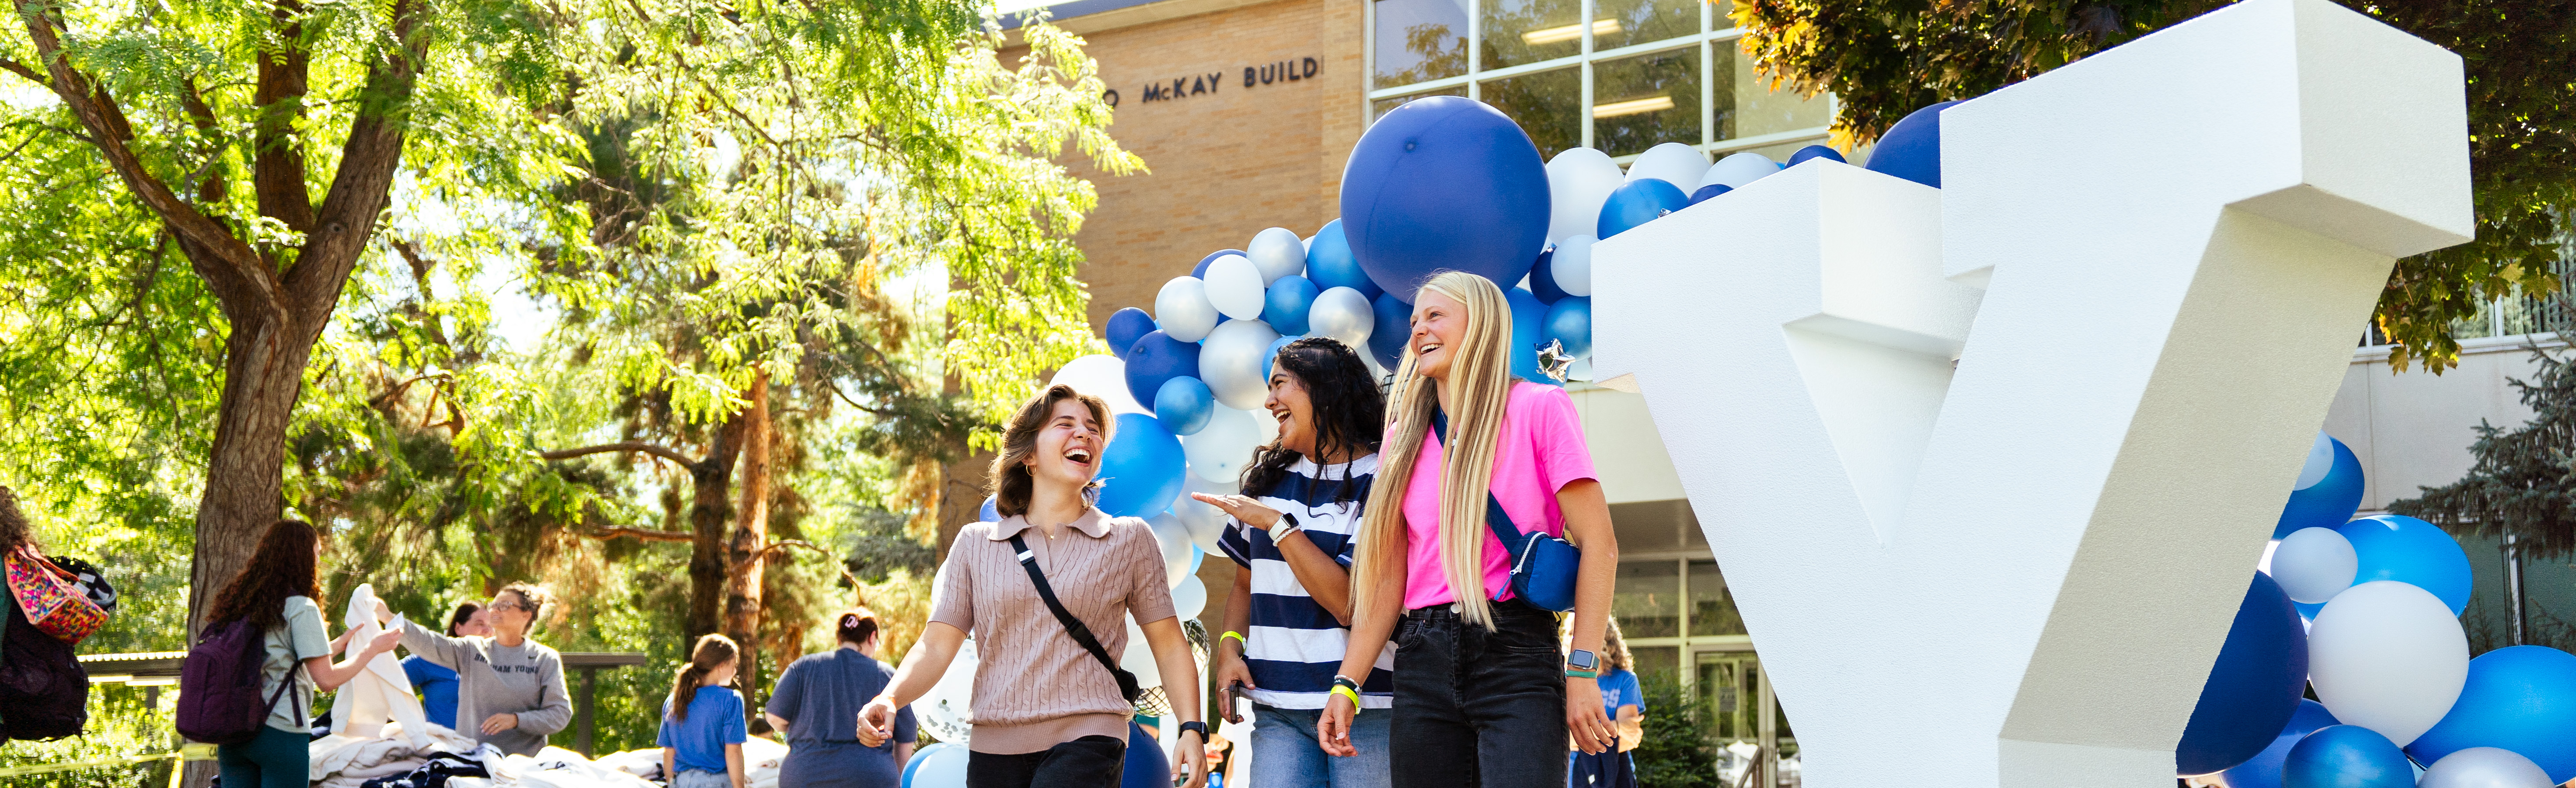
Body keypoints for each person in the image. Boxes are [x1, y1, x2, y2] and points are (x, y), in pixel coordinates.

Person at [1319, 271, 1624, 788]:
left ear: (1479, 324)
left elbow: (1600, 545)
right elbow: (1388, 579)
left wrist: (1582, 669)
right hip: (1421, 660)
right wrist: (1346, 684)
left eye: (1434, 315)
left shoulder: (1539, 407)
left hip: (1517, 653)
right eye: (1415, 320)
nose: (1417, 330)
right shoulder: (1403, 436)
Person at [858, 384, 1211, 788]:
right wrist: (889, 698)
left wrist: (1191, 728)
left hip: (1090, 733)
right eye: (1066, 424)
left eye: (1093, 429)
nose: (1085, 434)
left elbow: (1167, 641)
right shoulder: (976, 543)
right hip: (994, 745)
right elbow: (936, 644)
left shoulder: (1129, 539)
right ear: (1028, 455)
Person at [1198, 337, 1395, 788]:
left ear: (1322, 389)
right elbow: (1244, 589)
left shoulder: (1381, 478)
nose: (1268, 401)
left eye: (1280, 385)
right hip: (1277, 711)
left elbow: (1348, 603)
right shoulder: (1265, 482)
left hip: (1368, 710)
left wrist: (1278, 526)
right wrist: (1229, 648)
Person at [202, 520, 406, 788]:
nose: (319, 561)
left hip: (234, 734)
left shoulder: (242, 605)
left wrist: (337, 646)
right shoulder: (301, 607)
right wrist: (373, 649)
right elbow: (327, 680)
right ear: (301, 556)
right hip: (280, 735)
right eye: (317, 552)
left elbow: (280, 661)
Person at [373, 582, 573, 755]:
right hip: (470, 760)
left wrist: (517, 720)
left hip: (522, 766)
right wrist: (389, 618)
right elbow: (430, 643)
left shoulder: (544, 659)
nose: (495, 610)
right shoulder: (471, 649)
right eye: (494, 605)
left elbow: (560, 714)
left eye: (505, 606)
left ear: (526, 616)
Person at [764, 608, 916, 787]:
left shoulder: (802, 667)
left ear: (839, 639)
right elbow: (905, 739)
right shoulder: (888, 675)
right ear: (872, 638)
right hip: (869, 778)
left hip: (805, 776)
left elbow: (775, 718)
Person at [662, 634, 750, 788]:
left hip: (681, 782)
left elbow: (669, 754)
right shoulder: (731, 699)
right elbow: (734, 752)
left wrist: (672, 784)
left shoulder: (673, 701)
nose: (736, 671)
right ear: (721, 666)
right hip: (716, 782)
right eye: (734, 665)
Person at [1565, 619, 1642, 788]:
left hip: (1618, 775)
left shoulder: (1626, 680)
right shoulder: (1564, 682)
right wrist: (1617, 727)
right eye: (1571, 634)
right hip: (1572, 776)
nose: (1574, 640)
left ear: (1604, 638)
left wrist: (1583, 735)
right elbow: (1564, 739)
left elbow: (1632, 738)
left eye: (1578, 633)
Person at [404, 602, 490, 730]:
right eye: (480, 624)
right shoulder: (432, 658)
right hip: (446, 746)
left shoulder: (501, 664)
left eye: (491, 625)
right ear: (458, 629)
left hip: (491, 748)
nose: (488, 631)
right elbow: (387, 678)